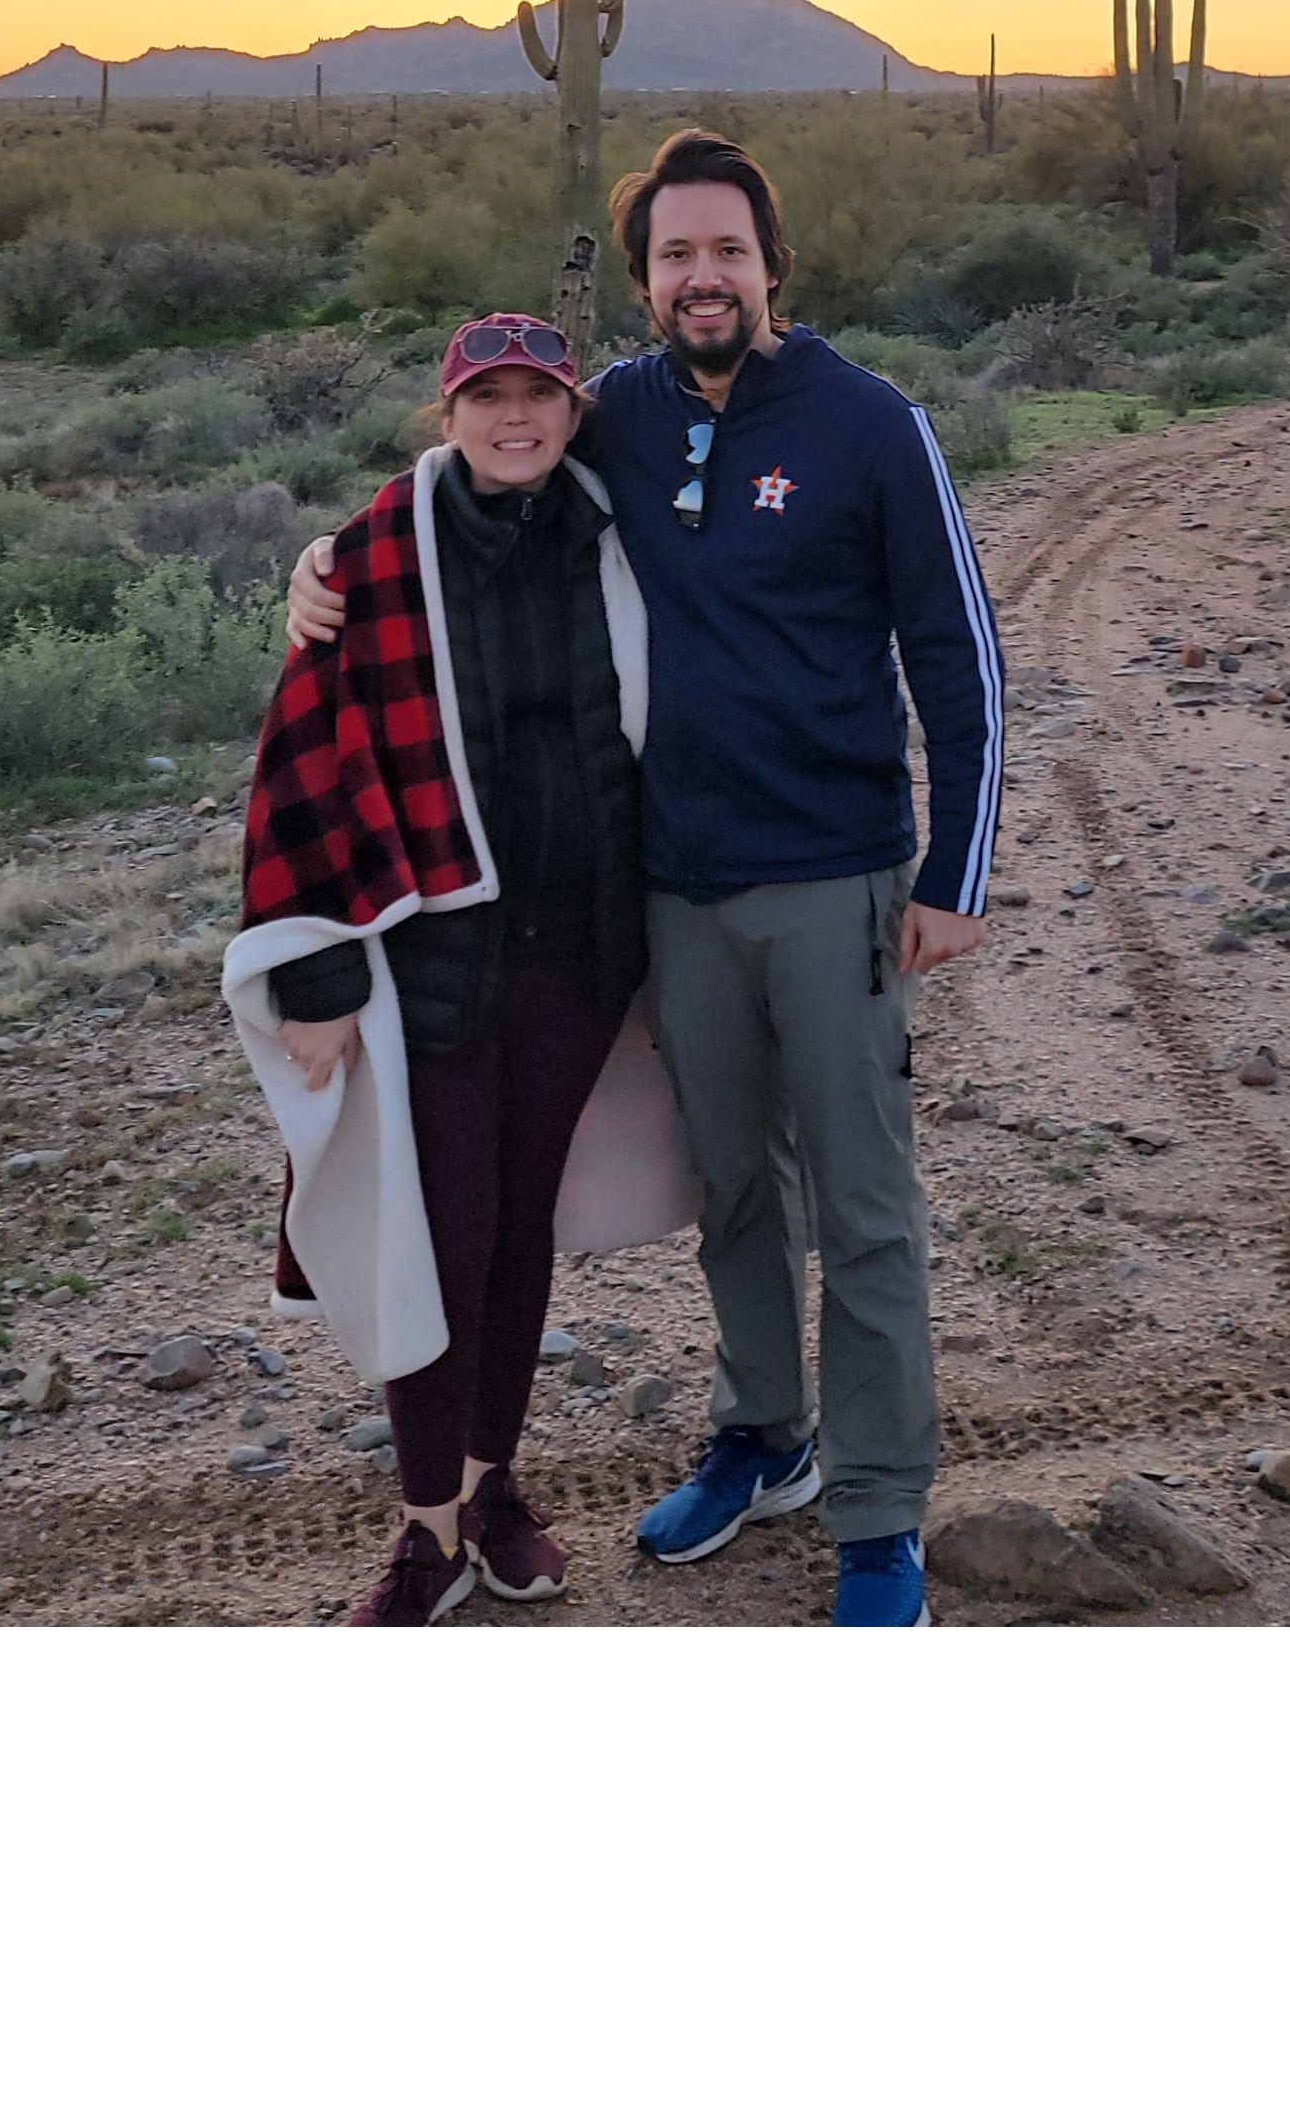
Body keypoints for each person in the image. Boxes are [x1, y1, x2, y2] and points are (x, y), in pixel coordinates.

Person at [289, 127, 1003, 1627]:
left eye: (727, 251)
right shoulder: (611, 412)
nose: (703, 277)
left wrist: (955, 869)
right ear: (643, 280)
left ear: (771, 264)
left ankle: (880, 1517)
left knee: (864, 1202)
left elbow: (960, 662)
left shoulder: (876, 425)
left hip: (836, 875)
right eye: (675, 255)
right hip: (675, 888)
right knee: (735, 1184)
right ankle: (767, 1436)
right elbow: (484, 467)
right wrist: (331, 557)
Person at [226, 310, 684, 1628]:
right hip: (433, 961)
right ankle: (425, 1530)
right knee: (441, 1235)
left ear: (570, 409)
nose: (515, 418)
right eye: (488, 398)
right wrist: (309, 976)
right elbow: (297, 763)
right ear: (450, 416)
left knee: (519, 1230)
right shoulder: (374, 554)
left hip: (584, 954)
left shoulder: (618, 532)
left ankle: (494, 1493)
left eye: (539, 393)